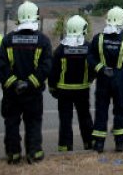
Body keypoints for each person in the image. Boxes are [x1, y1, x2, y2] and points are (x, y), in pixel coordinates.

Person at [0, 1, 53, 164]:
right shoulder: (42, 40)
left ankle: (13, 154)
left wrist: (14, 83)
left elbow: (0, 66)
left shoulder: (8, 40)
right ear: (36, 17)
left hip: (11, 93)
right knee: (33, 123)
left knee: (11, 123)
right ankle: (33, 153)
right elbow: (47, 66)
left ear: (18, 18)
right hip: (33, 93)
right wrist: (30, 83)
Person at [89, 6, 123, 152]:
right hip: (120, 77)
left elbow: (90, 57)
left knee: (101, 110)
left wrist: (100, 68)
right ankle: (119, 142)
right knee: (120, 110)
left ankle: (98, 143)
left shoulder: (98, 38)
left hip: (103, 76)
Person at [48, 15, 94, 152]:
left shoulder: (60, 49)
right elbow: (93, 68)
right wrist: (89, 80)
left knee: (65, 119)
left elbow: (53, 71)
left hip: (63, 91)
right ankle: (89, 143)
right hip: (83, 89)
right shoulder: (88, 47)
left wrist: (52, 87)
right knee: (85, 117)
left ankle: (65, 146)